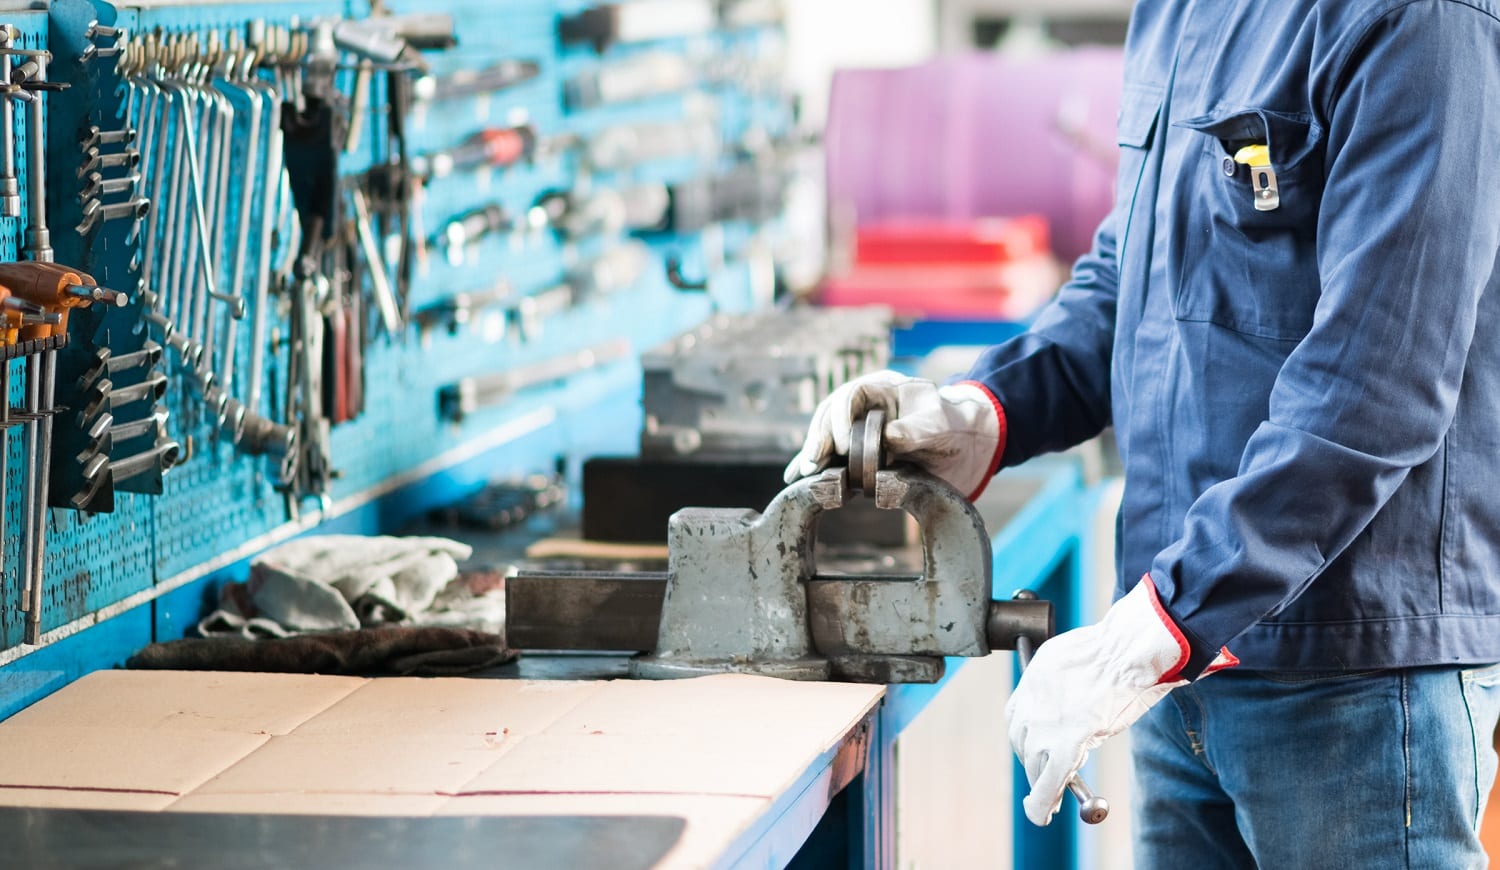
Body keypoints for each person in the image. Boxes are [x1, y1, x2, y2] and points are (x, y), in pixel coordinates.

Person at [785, 2, 1500, 865]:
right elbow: (1137, 271)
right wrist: (984, 410)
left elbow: (1379, 382)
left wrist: (1163, 622)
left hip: (1348, 680)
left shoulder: (1419, 20)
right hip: (1183, 670)